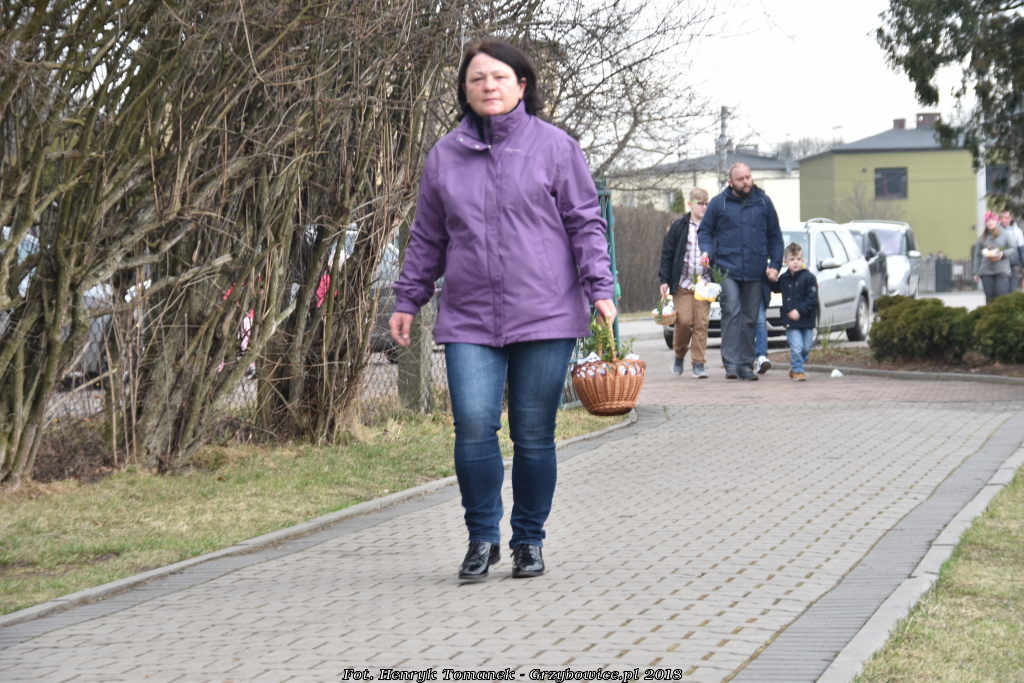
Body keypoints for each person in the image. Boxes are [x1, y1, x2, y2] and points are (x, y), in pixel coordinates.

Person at [389, 39, 616, 582]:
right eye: (477, 79)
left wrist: (600, 287)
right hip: (469, 316)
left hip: (545, 313)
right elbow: (427, 236)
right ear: (465, 91)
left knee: (533, 433)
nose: (488, 86)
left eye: (498, 77)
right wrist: (408, 298)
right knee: (472, 426)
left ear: (522, 85)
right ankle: (482, 537)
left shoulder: (556, 147)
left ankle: (529, 540)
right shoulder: (445, 155)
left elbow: (585, 222)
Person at [697, 163, 784, 380]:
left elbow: (775, 236)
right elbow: (705, 231)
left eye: (748, 177)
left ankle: (746, 365)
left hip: (755, 270)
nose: (746, 182)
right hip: (727, 269)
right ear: (730, 182)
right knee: (732, 312)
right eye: (740, 179)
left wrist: (775, 264)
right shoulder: (719, 203)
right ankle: (731, 364)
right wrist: (706, 251)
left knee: (750, 318)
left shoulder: (763, 202)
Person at [658, 187, 711, 379]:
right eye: (700, 203)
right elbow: (667, 254)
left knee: (701, 324)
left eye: (706, 204)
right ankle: (679, 354)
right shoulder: (679, 226)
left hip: (704, 285)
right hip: (683, 284)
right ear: (690, 205)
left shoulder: (711, 227)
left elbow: (719, 250)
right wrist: (664, 280)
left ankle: (698, 363)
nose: (704, 207)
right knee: (684, 321)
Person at [772, 243, 818, 381]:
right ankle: (798, 370)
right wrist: (770, 278)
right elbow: (775, 288)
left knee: (806, 348)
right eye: (792, 259)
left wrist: (799, 310)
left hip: (807, 320)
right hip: (791, 321)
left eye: (798, 259)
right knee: (797, 347)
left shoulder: (809, 278)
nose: (795, 262)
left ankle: (795, 366)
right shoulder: (784, 278)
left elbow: (812, 298)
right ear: (785, 262)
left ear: (803, 260)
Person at [974, 211, 1016, 303]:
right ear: (986, 223)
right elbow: (977, 256)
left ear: (996, 221)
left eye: (992, 220)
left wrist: (1003, 254)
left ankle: (1001, 313)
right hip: (986, 272)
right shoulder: (982, 237)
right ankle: (989, 312)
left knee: (1001, 296)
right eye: (988, 221)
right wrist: (976, 272)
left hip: (1002, 271)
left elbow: (1013, 248)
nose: (990, 222)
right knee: (989, 298)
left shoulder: (1005, 234)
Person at [999, 210, 1024, 290]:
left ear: (1011, 219)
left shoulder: (1017, 231)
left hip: (1014, 264)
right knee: (1002, 288)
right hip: (1000, 264)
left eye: (1007, 218)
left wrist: (1022, 265)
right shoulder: (996, 231)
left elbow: (1021, 249)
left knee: (1013, 287)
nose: (1004, 220)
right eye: (1002, 218)